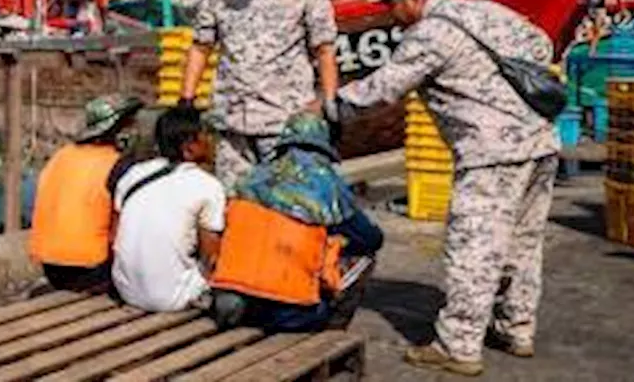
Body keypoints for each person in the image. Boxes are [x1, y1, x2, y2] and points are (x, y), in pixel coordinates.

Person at [327, 0, 561, 377]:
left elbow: (382, 90)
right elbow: (542, 46)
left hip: (491, 153)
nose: (389, 15)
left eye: (391, 6)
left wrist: (327, 107)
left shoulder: (432, 32)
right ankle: (516, 328)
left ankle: (458, 346)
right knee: (523, 244)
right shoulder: (488, 12)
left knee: (475, 247)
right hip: (540, 143)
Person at [180, 0, 340, 188]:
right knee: (234, 203)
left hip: (283, 121)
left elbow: (324, 49)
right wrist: (186, 99)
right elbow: (201, 46)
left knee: (287, 201)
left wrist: (330, 101)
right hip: (232, 120)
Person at [208, 113, 383, 333]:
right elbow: (371, 239)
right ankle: (333, 333)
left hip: (231, 304)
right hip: (292, 313)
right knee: (365, 258)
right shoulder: (328, 185)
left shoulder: (250, 178)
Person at [111, 107, 225, 312]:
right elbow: (211, 257)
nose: (212, 142)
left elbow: (114, 236)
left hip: (126, 290)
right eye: (206, 135)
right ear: (189, 147)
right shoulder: (208, 186)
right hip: (173, 298)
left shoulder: (133, 174)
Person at [29, 94, 143, 293]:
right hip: (92, 268)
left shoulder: (61, 155)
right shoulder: (117, 165)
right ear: (116, 129)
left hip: (50, 265)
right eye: (130, 123)